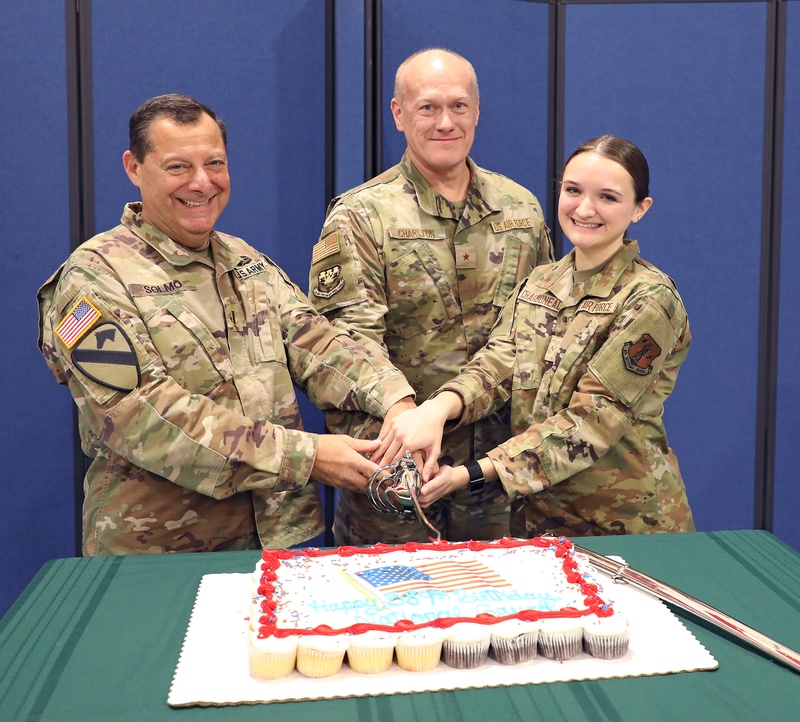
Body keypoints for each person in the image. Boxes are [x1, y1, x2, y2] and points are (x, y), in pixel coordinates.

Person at [37, 93, 415, 556]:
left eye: (214, 163)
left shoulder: (244, 261)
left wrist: (396, 400)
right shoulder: (94, 277)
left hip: (276, 542)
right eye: (178, 167)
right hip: (159, 553)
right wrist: (309, 456)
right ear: (134, 168)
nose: (202, 183)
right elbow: (144, 417)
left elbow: (319, 344)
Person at [376, 135, 695, 537]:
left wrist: (471, 474)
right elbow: (499, 364)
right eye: (573, 190)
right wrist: (438, 408)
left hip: (625, 528)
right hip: (538, 522)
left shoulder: (650, 300)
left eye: (608, 197)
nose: (584, 208)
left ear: (640, 209)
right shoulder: (541, 283)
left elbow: (590, 422)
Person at [307, 48, 553, 544]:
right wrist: (407, 427)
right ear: (398, 114)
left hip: (497, 479)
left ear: (478, 111)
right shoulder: (362, 216)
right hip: (397, 483)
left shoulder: (522, 211)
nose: (446, 122)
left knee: (506, 615)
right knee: (391, 618)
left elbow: (539, 339)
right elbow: (346, 348)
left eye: (459, 106)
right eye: (427, 107)